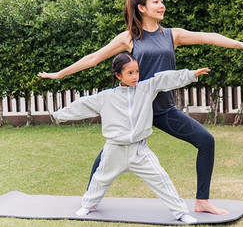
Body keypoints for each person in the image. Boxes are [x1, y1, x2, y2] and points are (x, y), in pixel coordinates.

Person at [39, 0, 243, 215]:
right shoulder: (129, 38)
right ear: (141, 8)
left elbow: (208, 37)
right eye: (156, 1)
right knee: (111, 151)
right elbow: (93, 58)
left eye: (161, 1)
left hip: (162, 109)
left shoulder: (172, 35)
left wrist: (242, 44)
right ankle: (90, 198)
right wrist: (59, 74)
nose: (161, 5)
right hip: (133, 110)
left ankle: (202, 201)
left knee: (205, 141)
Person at [53, 53, 209, 224]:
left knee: (161, 178)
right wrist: (61, 115)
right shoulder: (106, 97)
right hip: (114, 149)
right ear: (118, 75)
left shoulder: (146, 89)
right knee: (100, 180)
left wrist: (190, 75)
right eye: (130, 73)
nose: (135, 76)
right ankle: (87, 205)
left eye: (137, 71)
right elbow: (83, 104)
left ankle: (181, 213)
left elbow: (164, 79)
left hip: (139, 150)